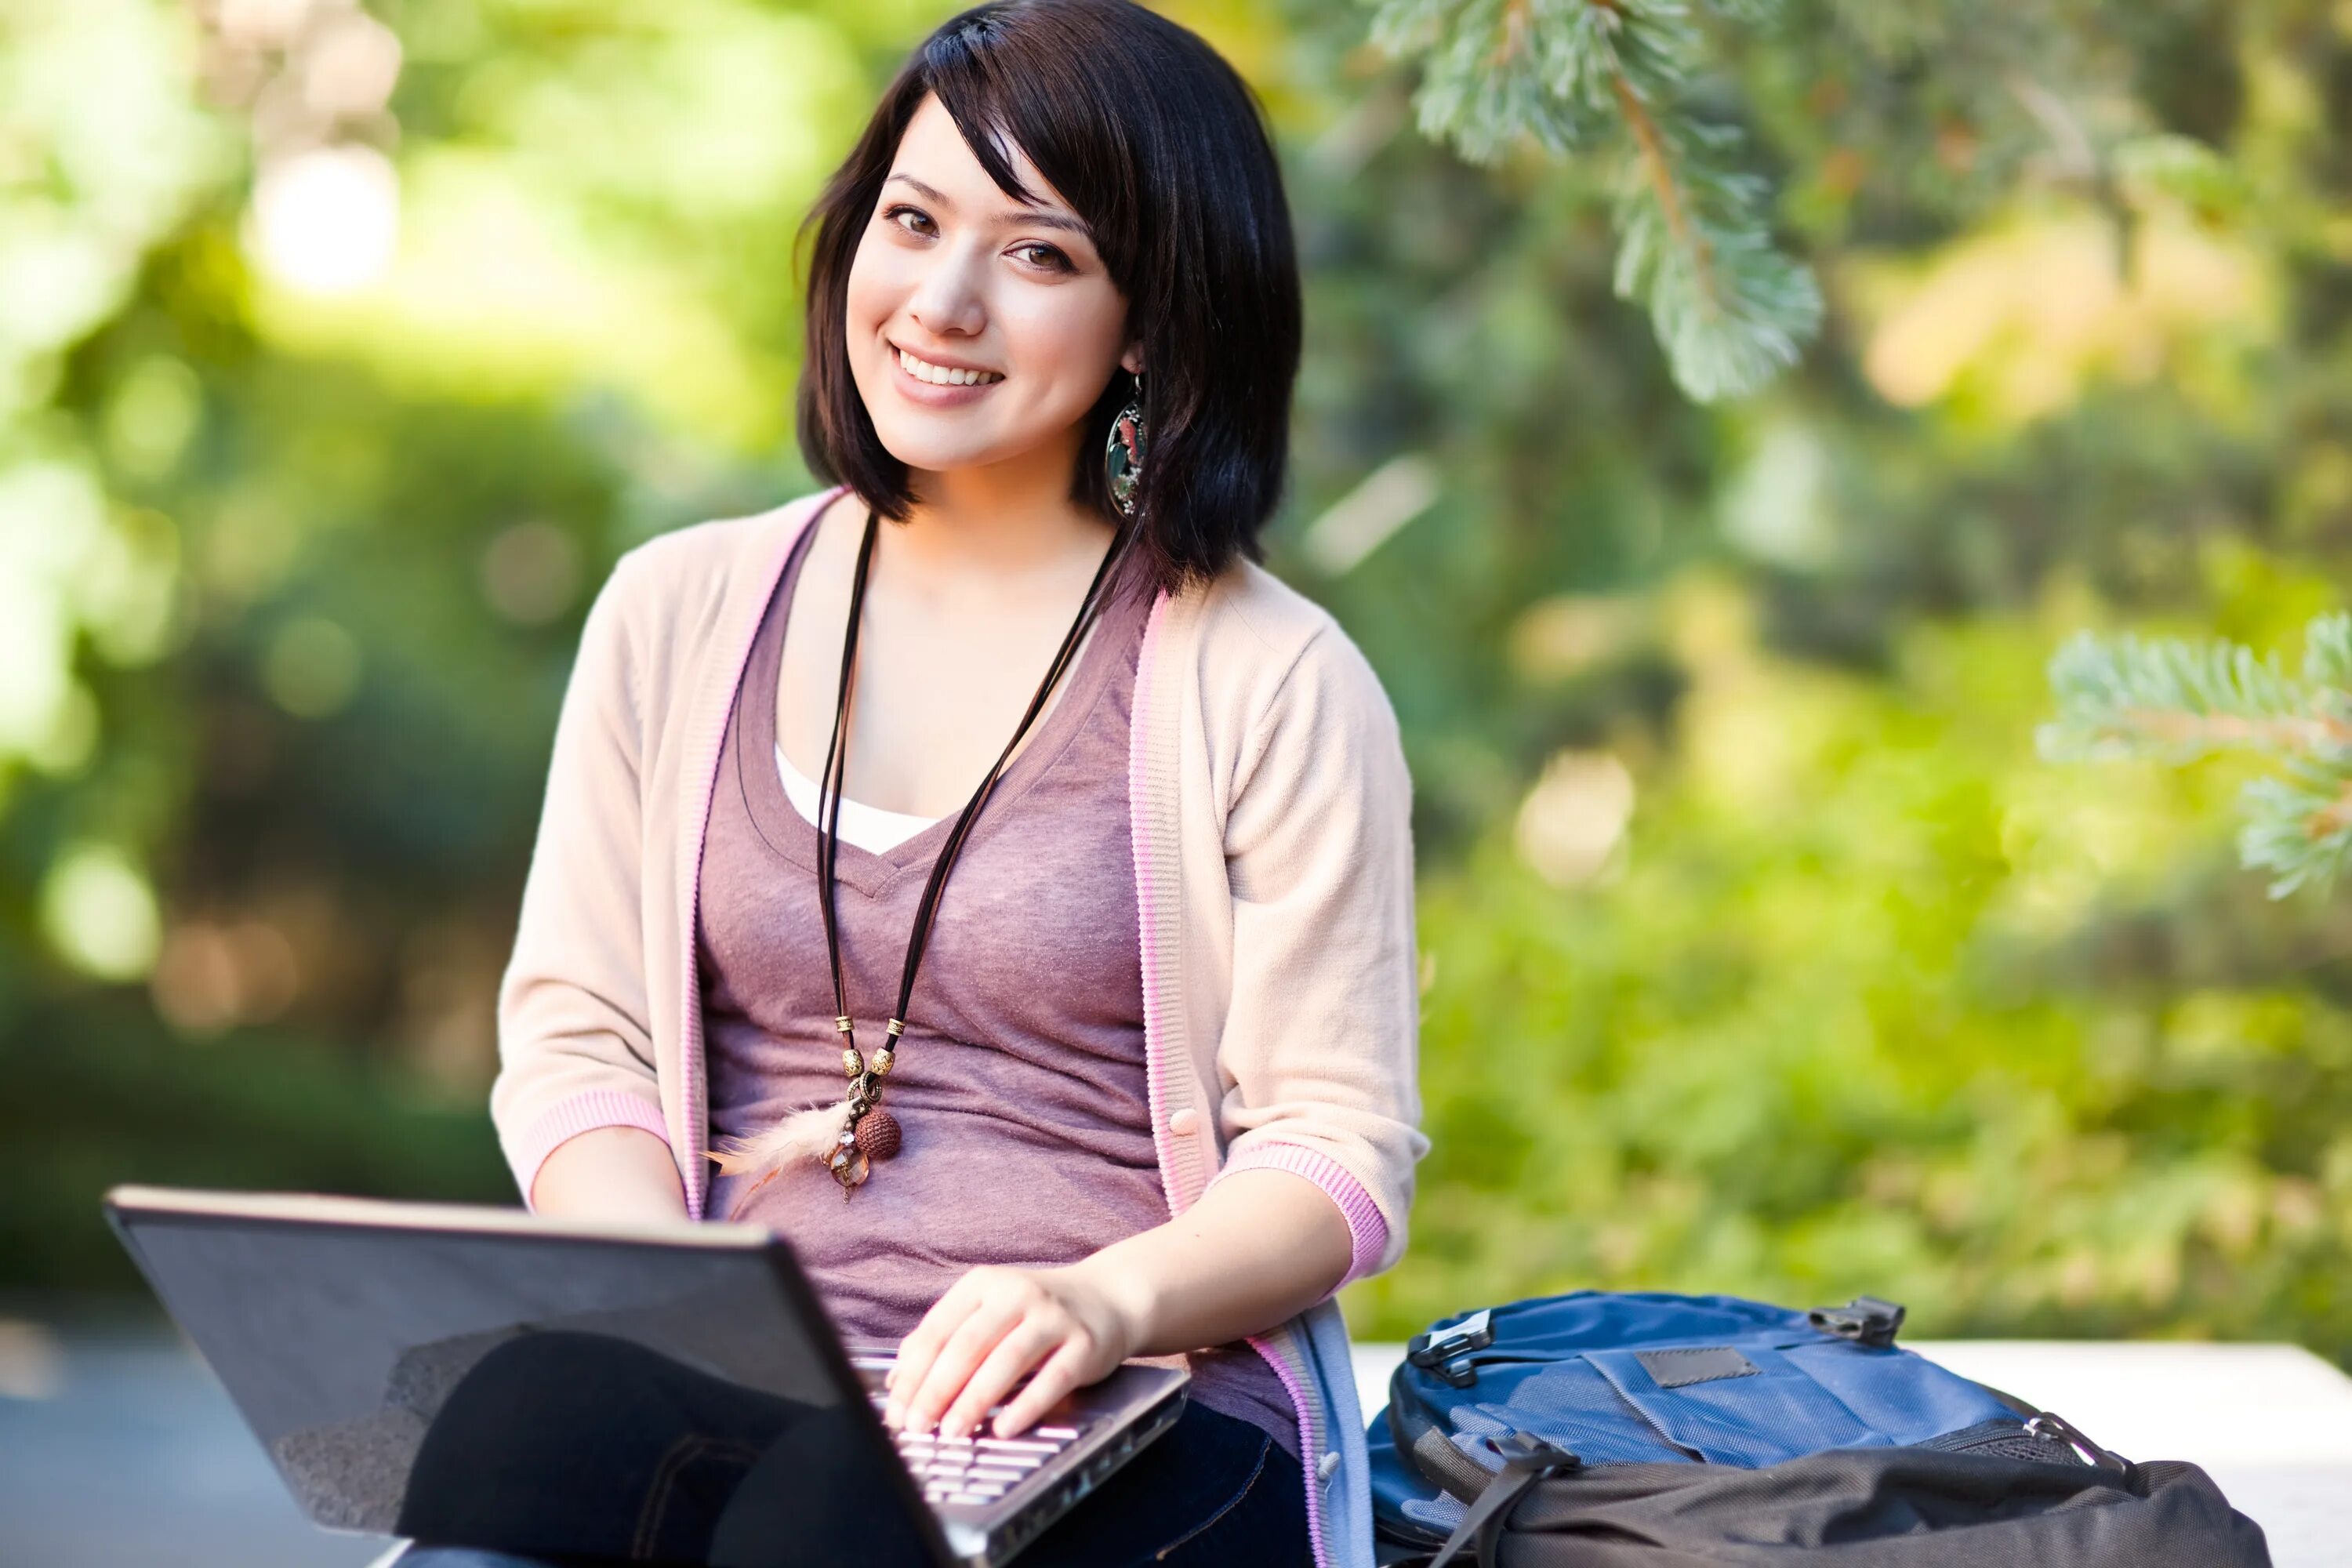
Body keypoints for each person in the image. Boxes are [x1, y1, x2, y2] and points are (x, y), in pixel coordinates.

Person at [406, 2, 1426, 1563]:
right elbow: (580, 1037)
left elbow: (1334, 1150)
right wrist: (676, 1310)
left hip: (1138, 1402)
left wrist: (1105, 1297)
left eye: (1039, 254)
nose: (941, 302)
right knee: (520, 1426)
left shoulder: (1267, 676)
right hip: (759, 1385)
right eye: (912, 220)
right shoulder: (677, 612)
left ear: (1150, 318)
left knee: (824, 1520)